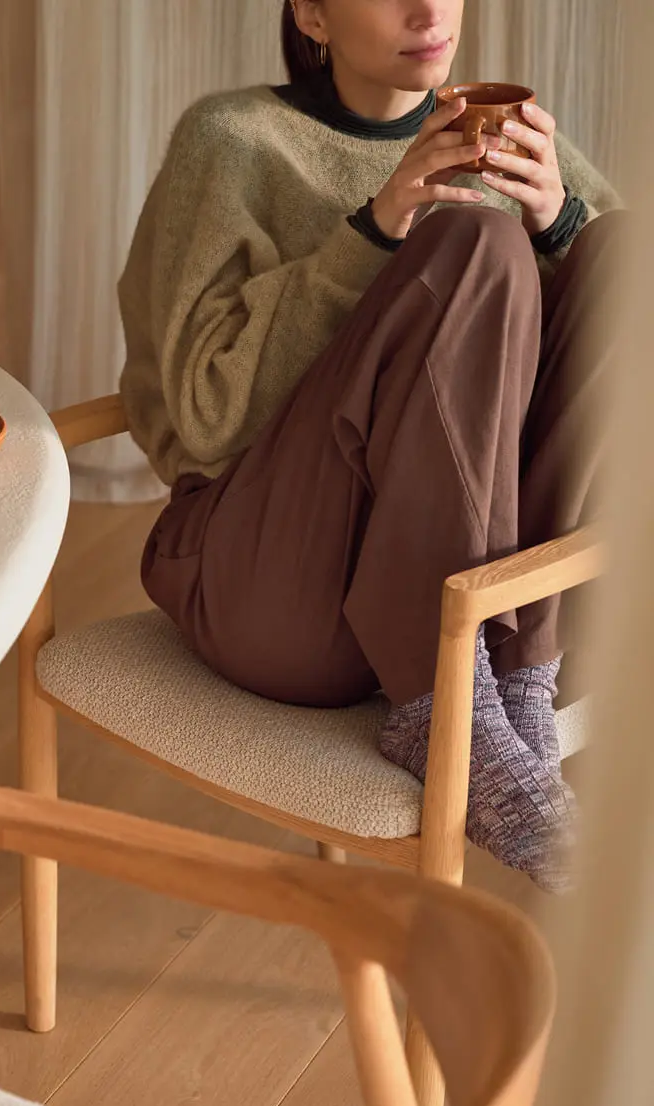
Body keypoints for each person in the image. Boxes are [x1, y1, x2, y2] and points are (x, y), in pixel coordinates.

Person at [117, 0, 621, 891]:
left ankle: (513, 690)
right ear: (313, 14)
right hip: (272, 583)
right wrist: (377, 230)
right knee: (475, 242)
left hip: (473, 601)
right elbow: (206, 415)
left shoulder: (505, 137)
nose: (428, 11)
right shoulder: (232, 143)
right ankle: (445, 702)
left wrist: (561, 222)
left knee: (625, 249)